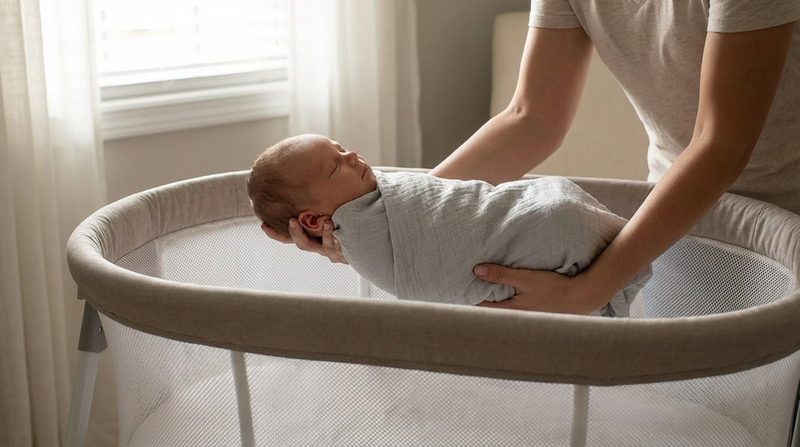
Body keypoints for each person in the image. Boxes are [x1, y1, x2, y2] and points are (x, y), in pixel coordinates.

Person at [263, 3, 799, 314]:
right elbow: (531, 118)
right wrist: (402, 229)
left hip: (786, 207)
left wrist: (592, 287)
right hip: (676, 212)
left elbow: (721, 144)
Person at [247, 134, 651, 316]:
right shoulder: (362, 232)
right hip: (555, 227)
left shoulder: (365, 208)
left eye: (341, 147)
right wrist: (354, 247)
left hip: (554, 220)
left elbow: (433, 205)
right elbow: (416, 249)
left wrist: (588, 292)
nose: (352, 155)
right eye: (336, 164)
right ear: (313, 220)